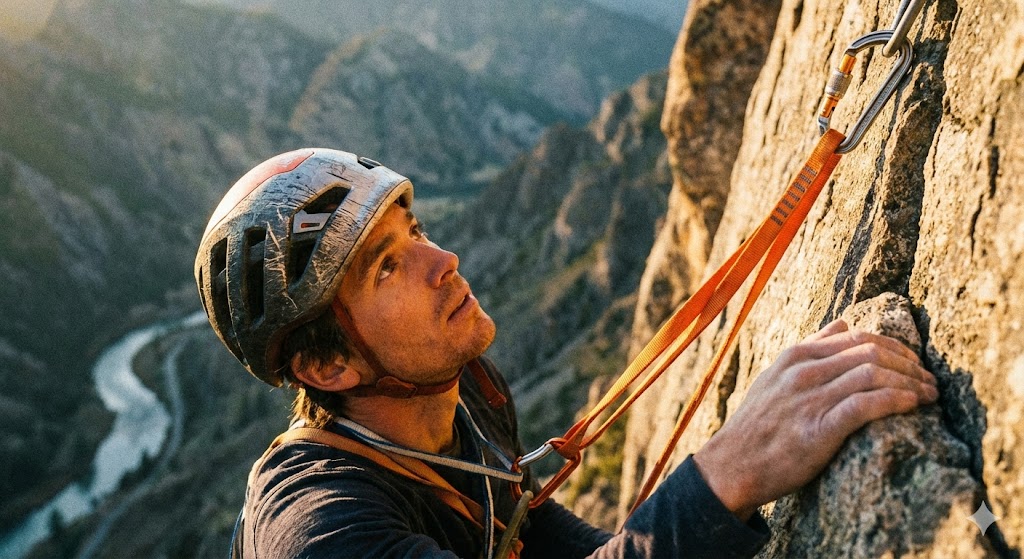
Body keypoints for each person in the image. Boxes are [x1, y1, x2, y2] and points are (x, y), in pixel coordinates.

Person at [195, 148, 939, 558]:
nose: (444, 261)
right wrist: (727, 474)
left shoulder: (463, 398)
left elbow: (542, 537)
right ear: (327, 367)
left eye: (413, 230)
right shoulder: (318, 531)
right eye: (386, 268)